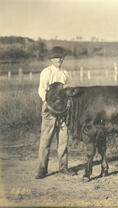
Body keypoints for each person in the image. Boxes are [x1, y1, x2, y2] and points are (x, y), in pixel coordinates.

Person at [35, 46, 74, 179]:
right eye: (57, 57)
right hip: (49, 109)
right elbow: (42, 90)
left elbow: (69, 92)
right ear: (51, 59)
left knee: (63, 140)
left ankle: (63, 168)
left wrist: (67, 104)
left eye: (61, 57)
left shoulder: (65, 73)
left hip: (63, 110)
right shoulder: (46, 72)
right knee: (46, 140)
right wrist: (49, 104)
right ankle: (42, 169)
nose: (60, 59)